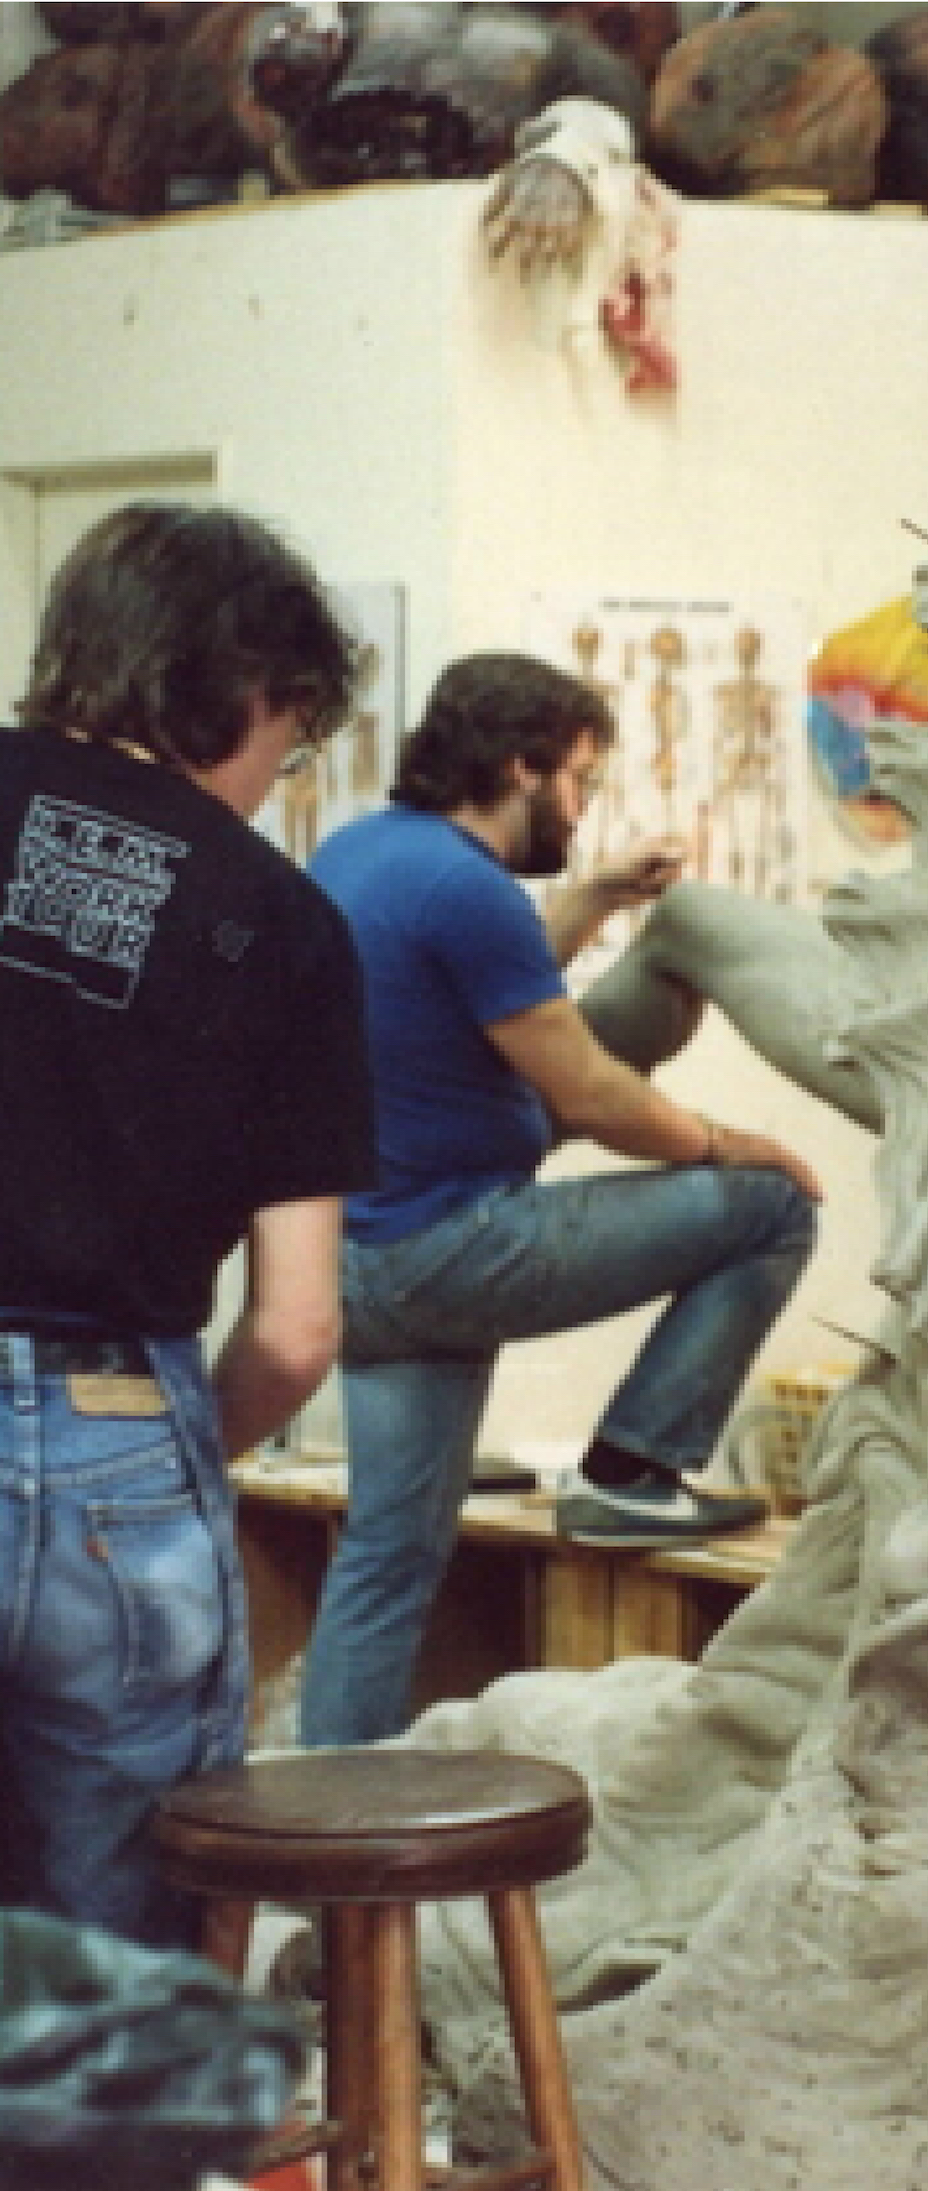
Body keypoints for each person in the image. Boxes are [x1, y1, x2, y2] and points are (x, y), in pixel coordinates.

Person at [297, 652, 822, 1750]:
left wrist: (601, 897)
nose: (582, 809)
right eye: (578, 780)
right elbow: (589, 1092)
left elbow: (487, 977)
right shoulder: (468, 889)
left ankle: (328, 1804)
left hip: (353, 1267)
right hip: (449, 1247)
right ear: (519, 767)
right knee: (771, 1207)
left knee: (389, 1558)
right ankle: (634, 1469)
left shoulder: (361, 851)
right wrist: (740, 1144)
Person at [0, 503, 373, 1948]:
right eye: (294, 732)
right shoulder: (283, 922)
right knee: (120, 1954)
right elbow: (296, 1328)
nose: (280, 774)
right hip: (115, 1439)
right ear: (242, 686)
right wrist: (167, 1451)